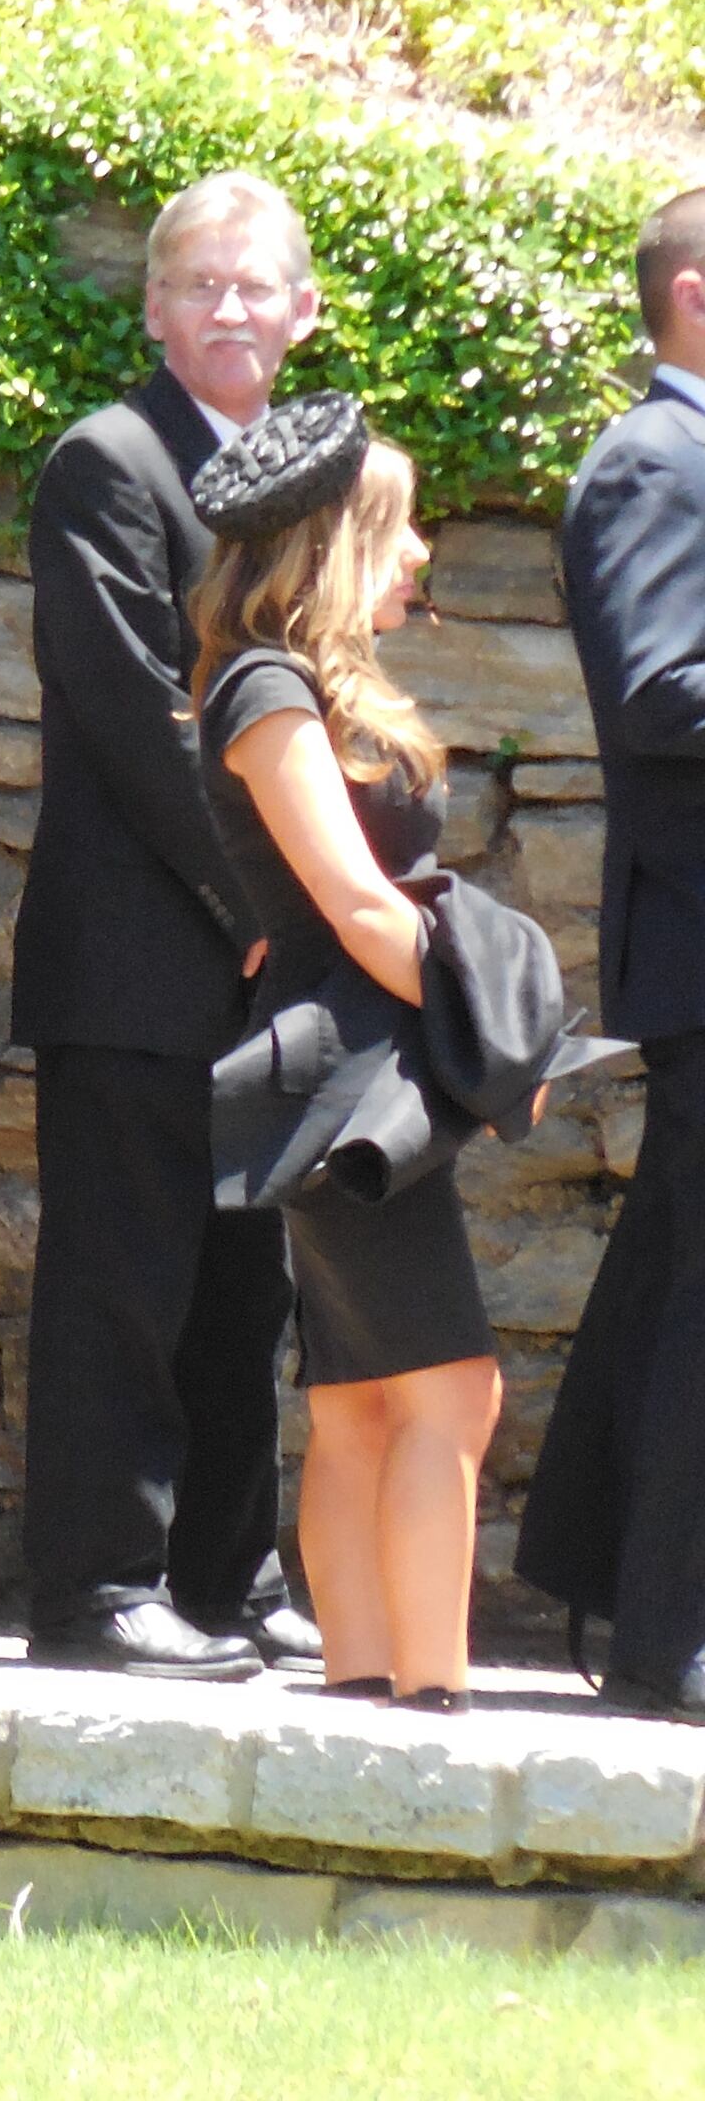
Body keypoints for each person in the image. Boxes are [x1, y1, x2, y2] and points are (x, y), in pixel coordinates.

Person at [15, 173, 322, 1680]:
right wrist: (265, 905)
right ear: (152, 307)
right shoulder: (110, 464)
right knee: (121, 1289)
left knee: (245, 1290)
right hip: (138, 954)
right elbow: (141, 714)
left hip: (263, 966)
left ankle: (224, 1578)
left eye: (256, 285)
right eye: (199, 283)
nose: (228, 309)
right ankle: (95, 1591)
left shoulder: (302, 482)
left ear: (302, 311)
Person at [189, 398, 497, 1708]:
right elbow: (356, 903)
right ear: (333, 541)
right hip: (350, 1073)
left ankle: (373, 1681)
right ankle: (430, 1699)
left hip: (360, 1060)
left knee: (366, 1394)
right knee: (447, 1391)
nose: (421, 551)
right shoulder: (267, 686)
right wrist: (494, 1029)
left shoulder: (285, 683)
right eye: (399, 527)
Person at [524, 186, 705, 1723]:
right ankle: (666, 1640)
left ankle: (609, 1579)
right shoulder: (655, 460)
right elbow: (658, 691)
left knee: (669, 1280)